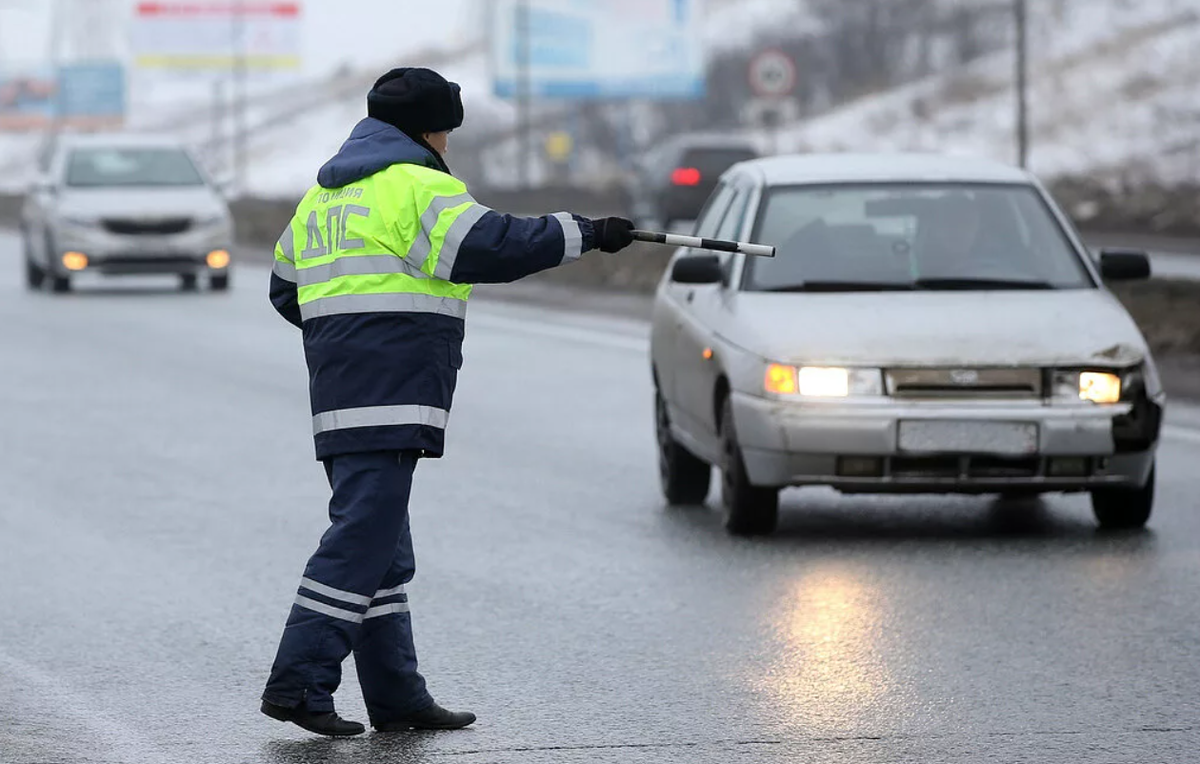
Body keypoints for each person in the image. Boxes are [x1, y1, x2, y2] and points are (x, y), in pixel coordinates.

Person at [260, 66, 636, 737]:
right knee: (360, 540)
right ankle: (298, 682)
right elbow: (491, 245)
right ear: (430, 129)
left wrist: (342, 337)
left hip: (342, 390)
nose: (447, 142)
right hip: (392, 386)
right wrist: (587, 231)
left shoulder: (323, 197)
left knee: (381, 547)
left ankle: (399, 698)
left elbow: (286, 289)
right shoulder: (418, 184)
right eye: (446, 130)